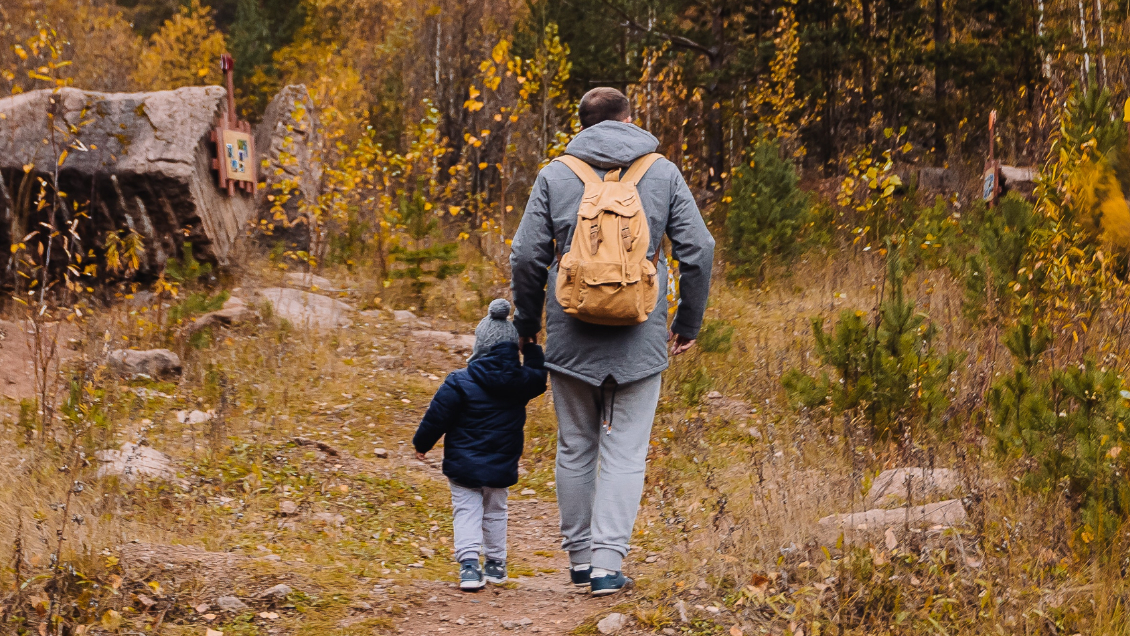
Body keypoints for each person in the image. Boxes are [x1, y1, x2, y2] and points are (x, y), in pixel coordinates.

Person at [510, 87, 715, 596]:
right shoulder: (662, 172)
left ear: (581, 126)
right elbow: (699, 249)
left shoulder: (556, 174)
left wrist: (526, 323)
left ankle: (579, 560)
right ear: (629, 120)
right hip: (640, 335)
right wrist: (687, 321)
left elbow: (525, 255)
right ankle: (607, 565)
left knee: (575, 446)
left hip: (570, 336)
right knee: (626, 452)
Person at [412, 299, 548, 591]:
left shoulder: (460, 380)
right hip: (501, 464)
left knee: (466, 509)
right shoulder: (521, 381)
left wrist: (421, 443)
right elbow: (540, 378)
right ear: (514, 348)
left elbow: (437, 417)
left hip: (464, 464)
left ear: (479, 345)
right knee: (496, 511)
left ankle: (470, 566)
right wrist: (532, 347)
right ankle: (496, 565)